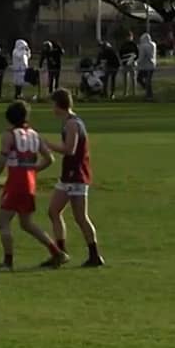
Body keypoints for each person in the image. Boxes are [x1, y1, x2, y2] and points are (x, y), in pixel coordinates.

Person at [0, 100, 69, 270]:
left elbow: (2, 160)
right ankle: (57, 252)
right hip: (29, 182)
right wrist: (33, 170)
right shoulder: (34, 134)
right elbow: (50, 159)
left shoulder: (9, 135)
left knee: (3, 221)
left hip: (15, 182)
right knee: (26, 223)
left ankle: (8, 262)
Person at [43, 89, 104, 267]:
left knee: (80, 217)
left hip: (75, 175)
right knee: (54, 211)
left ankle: (94, 255)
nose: (52, 109)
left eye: (53, 105)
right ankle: (61, 253)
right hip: (69, 175)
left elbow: (70, 149)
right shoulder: (71, 122)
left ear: (59, 105)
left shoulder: (71, 124)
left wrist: (47, 144)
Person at [135, 29, 158, 101]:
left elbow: (141, 56)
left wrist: (136, 62)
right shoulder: (153, 44)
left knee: (140, 79)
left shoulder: (143, 46)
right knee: (148, 81)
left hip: (144, 66)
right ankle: (148, 94)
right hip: (152, 65)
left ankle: (149, 95)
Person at [8, 38, 32, 102]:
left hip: (23, 70)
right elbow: (19, 56)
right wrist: (25, 51)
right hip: (18, 71)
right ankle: (17, 95)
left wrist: (28, 50)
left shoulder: (23, 51)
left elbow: (28, 56)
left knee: (21, 84)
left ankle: (19, 95)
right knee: (18, 84)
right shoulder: (15, 51)